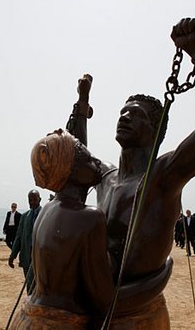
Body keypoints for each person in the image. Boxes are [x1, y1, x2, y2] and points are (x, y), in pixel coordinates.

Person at [68, 18, 195, 326]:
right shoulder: (106, 177)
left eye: (136, 114)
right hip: (98, 303)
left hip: (139, 312)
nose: (125, 117)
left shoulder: (163, 176)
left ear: (155, 129)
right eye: (122, 112)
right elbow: (75, 157)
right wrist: (82, 105)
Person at [12, 130, 170, 328]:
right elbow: (106, 302)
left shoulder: (46, 211)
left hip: (29, 318)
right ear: (70, 168)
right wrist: (160, 276)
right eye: (86, 157)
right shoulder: (89, 217)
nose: (96, 161)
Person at [9, 189, 41, 294]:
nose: (32, 202)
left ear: (39, 199)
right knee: (29, 282)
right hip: (27, 254)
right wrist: (13, 255)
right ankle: (30, 304)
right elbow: (18, 237)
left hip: (40, 255)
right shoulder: (24, 216)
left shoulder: (46, 214)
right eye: (29, 200)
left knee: (39, 283)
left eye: (34, 200)